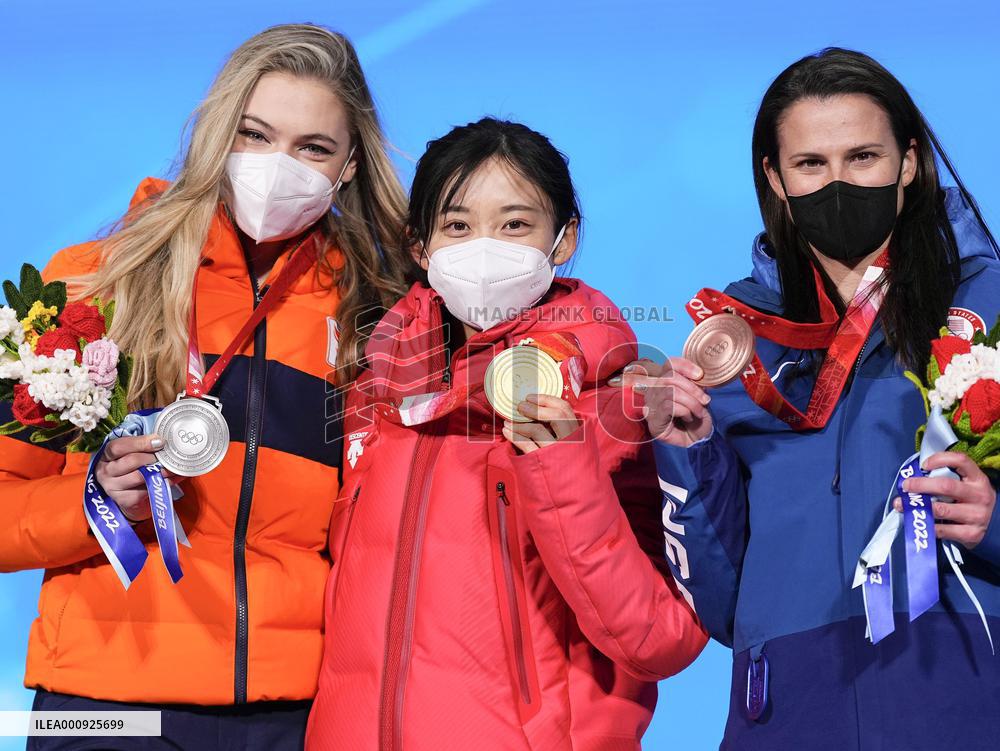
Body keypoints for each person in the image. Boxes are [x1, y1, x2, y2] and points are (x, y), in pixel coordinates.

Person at [0, 24, 413, 749]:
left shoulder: (374, 312)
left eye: (311, 147)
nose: (277, 165)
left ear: (349, 165)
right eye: (254, 134)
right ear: (218, 133)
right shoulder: (92, 281)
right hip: (101, 701)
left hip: (287, 710)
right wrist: (91, 498)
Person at [627, 48, 1000, 749]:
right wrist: (685, 452)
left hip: (964, 706)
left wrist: (996, 519)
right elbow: (724, 603)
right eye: (811, 164)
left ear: (909, 161)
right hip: (790, 715)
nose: (839, 183)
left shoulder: (988, 304)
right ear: (775, 176)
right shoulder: (737, 338)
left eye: (863, 157)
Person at [305, 117, 707, 751]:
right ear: (420, 247)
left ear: (564, 238)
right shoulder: (374, 398)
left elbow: (662, 637)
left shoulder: (618, 405)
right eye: (457, 226)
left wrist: (560, 464)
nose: (484, 247)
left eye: (515, 224)